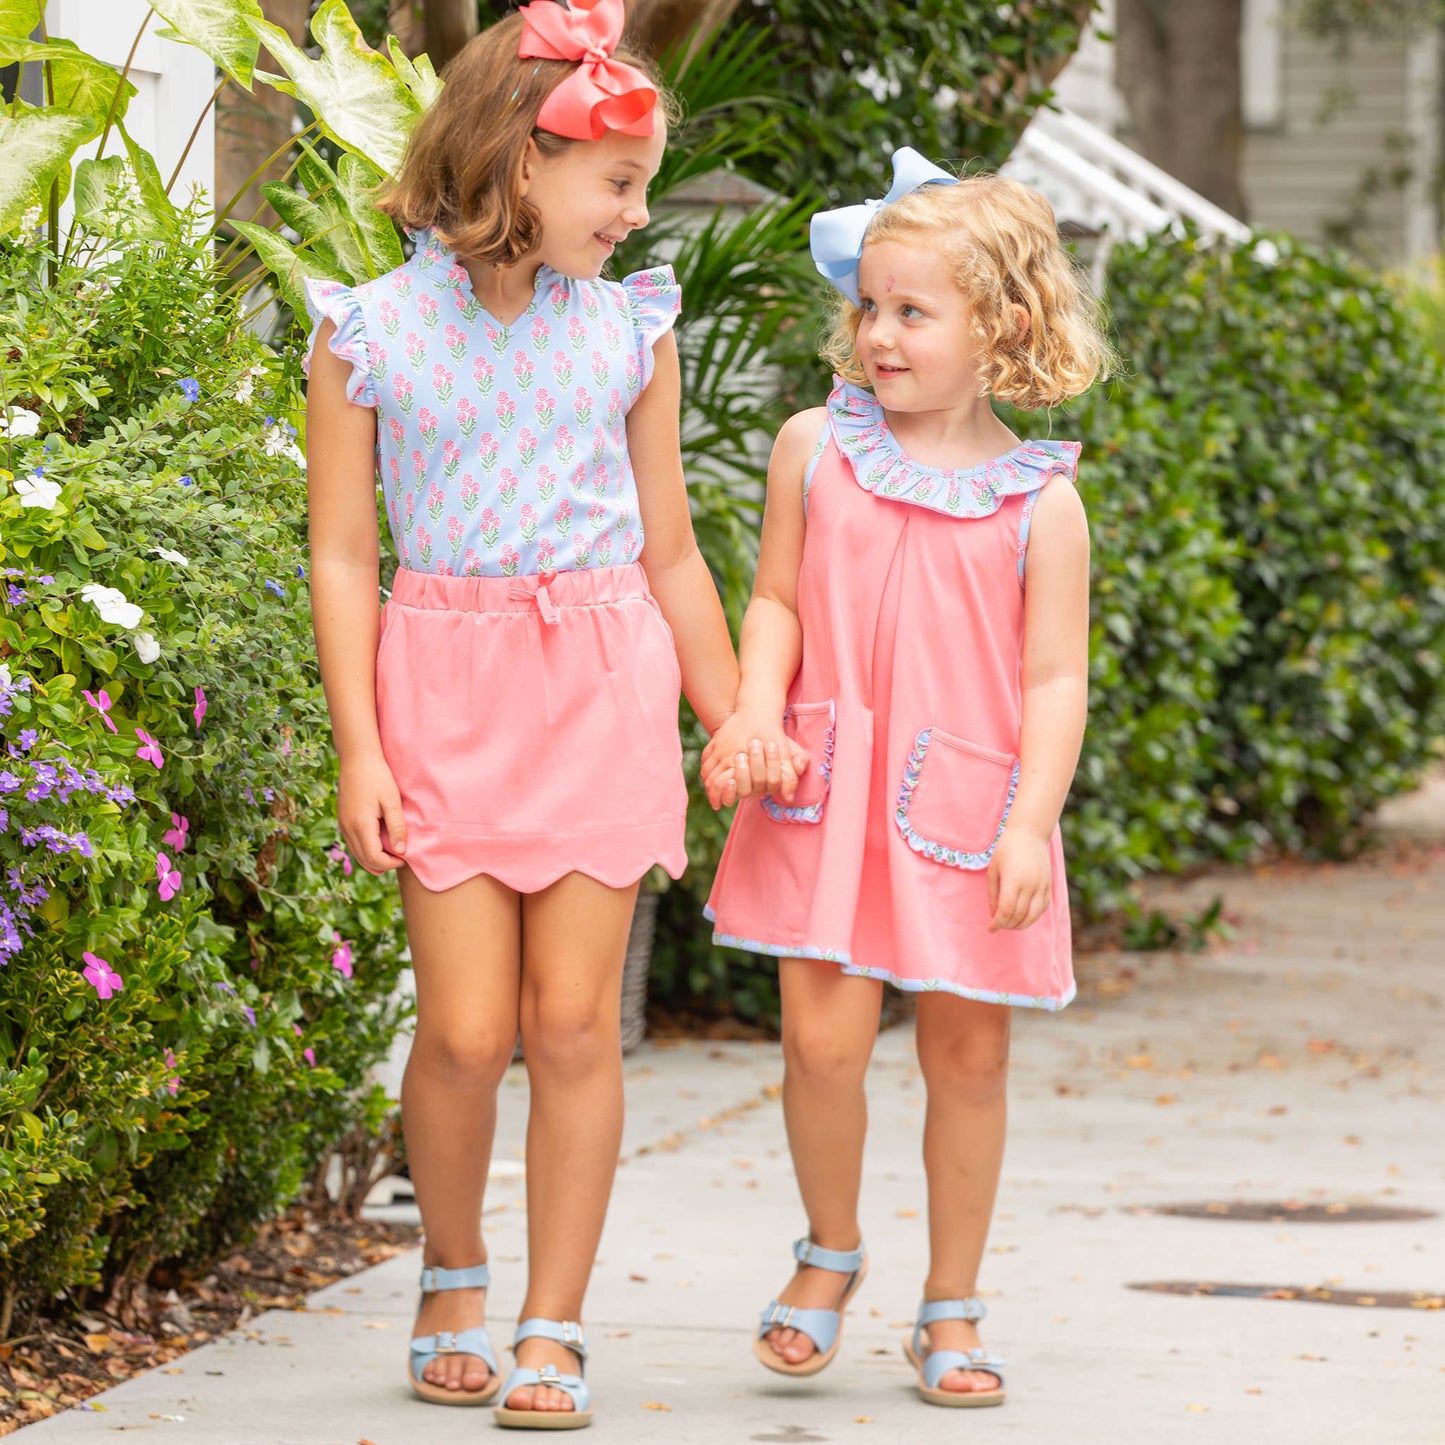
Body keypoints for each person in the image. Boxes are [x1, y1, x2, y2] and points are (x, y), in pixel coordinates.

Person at [303, 0, 738, 1428]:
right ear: (517, 160)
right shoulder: (364, 337)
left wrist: (728, 712)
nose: (636, 211)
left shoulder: (629, 334)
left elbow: (670, 551)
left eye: (642, 185)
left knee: (570, 1026)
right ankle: (452, 1271)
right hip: (442, 688)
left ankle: (553, 1324)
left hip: (599, 678)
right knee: (467, 1030)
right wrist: (361, 745)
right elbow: (346, 555)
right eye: (618, 181)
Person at [701, 150, 1109, 1409]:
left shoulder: (1037, 505)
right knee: (819, 1047)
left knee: (966, 1061)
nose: (877, 333)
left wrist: (1030, 823)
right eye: (868, 304)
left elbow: (1051, 682)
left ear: (1003, 325)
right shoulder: (813, 448)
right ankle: (829, 1247)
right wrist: (752, 708)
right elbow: (772, 598)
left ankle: (951, 1298)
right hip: (819, 794)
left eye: (911, 310)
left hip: (964, 813)